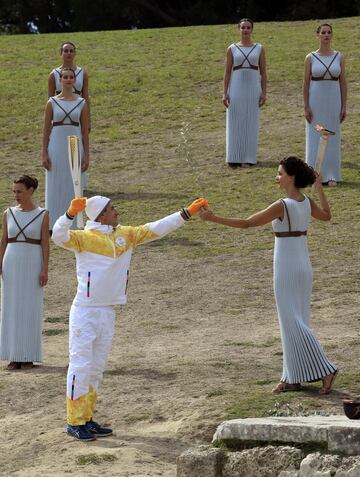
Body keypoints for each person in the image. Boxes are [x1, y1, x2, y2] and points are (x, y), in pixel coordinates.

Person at [52, 195, 208, 441]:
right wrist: (70, 215)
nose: (117, 211)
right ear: (101, 214)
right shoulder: (83, 238)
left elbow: (157, 228)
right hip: (85, 310)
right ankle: (74, 421)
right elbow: (57, 236)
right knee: (80, 366)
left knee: (96, 369)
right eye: (112, 208)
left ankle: (87, 418)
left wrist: (186, 213)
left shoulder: (126, 235)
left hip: (108, 311)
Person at [200, 156, 338, 394]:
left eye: (280, 173)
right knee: (296, 320)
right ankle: (292, 377)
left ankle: (326, 370)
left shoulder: (282, 205)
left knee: (292, 322)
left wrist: (213, 218)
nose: (277, 177)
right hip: (303, 267)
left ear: (291, 177)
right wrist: (319, 189)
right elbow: (327, 215)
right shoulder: (306, 202)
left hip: (286, 268)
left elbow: (246, 223)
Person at [0, 175, 49, 370]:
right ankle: (13, 356)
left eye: (19, 191)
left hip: (32, 262)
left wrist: (45, 269)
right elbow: (4, 240)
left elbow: (45, 244)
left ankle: (28, 356)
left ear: (30, 190)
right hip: (11, 262)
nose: (16, 195)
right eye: (14, 191)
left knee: (30, 307)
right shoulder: (8, 213)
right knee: (10, 307)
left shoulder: (43, 214)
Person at [42, 66, 90, 232]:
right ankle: (52, 223)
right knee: (55, 182)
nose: (69, 80)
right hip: (56, 143)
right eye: (65, 77)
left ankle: (76, 222)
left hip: (75, 143)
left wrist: (87, 155)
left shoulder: (81, 103)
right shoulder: (52, 102)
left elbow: (84, 131)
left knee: (73, 182)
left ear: (74, 80)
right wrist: (44, 152)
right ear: (60, 80)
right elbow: (46, 129)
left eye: (71, 77)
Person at [303, 23, 347, 186]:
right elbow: (306, 84)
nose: (326, 35)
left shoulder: (339, 57)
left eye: (329, 32)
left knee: (332, 136)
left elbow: (343, 83)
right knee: (316, 134)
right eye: (323, 32)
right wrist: (306, 106)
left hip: (333, 102)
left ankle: (331, 174)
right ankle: (314, 175)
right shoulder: (310, 58)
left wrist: (343, 106)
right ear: (318, 35)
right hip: (316, 103)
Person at [223, 18, 267, 167]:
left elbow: (263, 73)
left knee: (250, 122)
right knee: (235, 120)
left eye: (248, 27)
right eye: (243, 28)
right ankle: (234, 156)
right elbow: (227, 72)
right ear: (239, 29)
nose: (246, 30)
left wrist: (263, 92)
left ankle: (248, 157)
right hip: (236, 88)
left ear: (252, 29)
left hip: (253, 88)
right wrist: (225, 92)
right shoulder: (232, 48)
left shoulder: (259, 48)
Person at [48, 41, 91, 131]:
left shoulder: (82, 73)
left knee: (75, 142)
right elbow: (50, 99)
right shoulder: (54, 74)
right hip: (60, 114)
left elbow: (86, 97)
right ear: (61, 53)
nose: (69, 53)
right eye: (66, 51)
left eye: (71, 51)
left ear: (75, 53)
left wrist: (88, 120)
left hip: (78, 112)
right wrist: (50, 120)